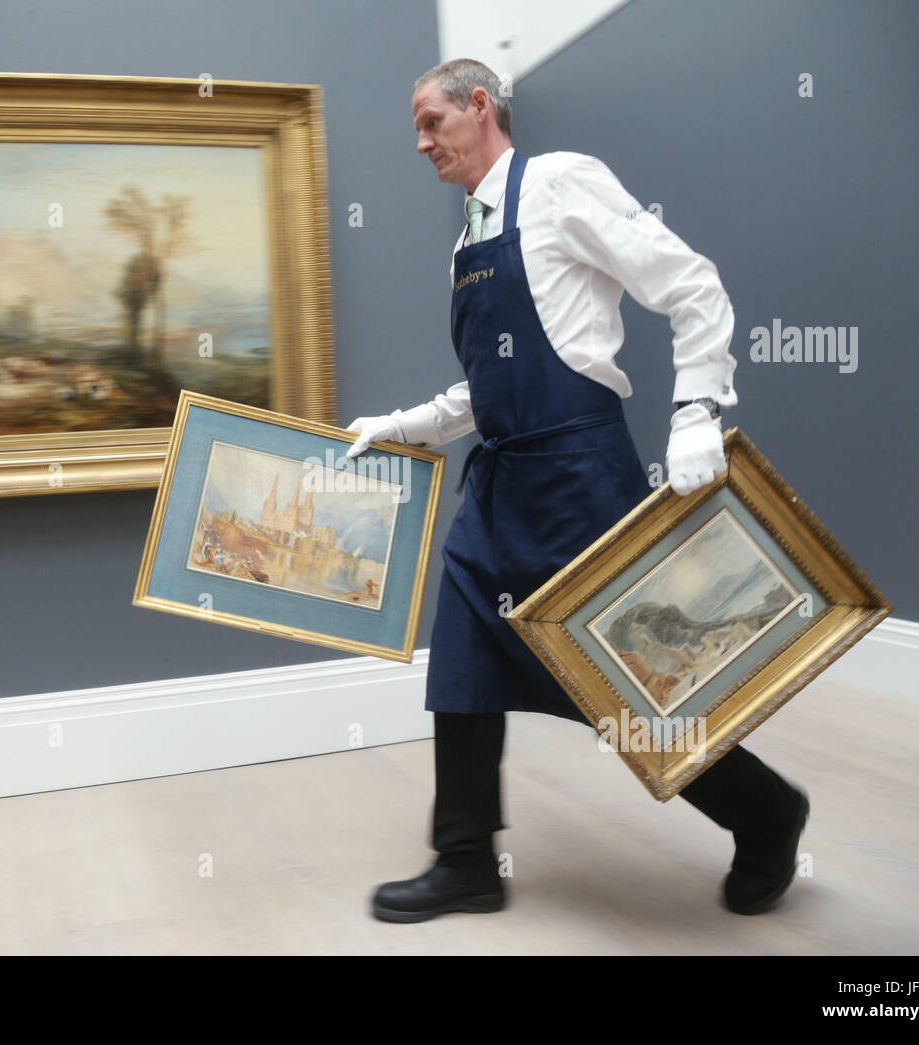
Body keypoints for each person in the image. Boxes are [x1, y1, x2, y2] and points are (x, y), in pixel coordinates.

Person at [345, 58, 809, 922]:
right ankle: (467, 860)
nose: (420, 143)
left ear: (481, 105)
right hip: (499, 483)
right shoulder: (469, 240)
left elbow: (692, 285)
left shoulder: (558, 186)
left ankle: (769, 813)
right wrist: (405, 426)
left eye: (430, 122)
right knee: (463, 657)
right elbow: (484, 393)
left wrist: (697, 407)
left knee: (622, 684)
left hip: (576, 479)